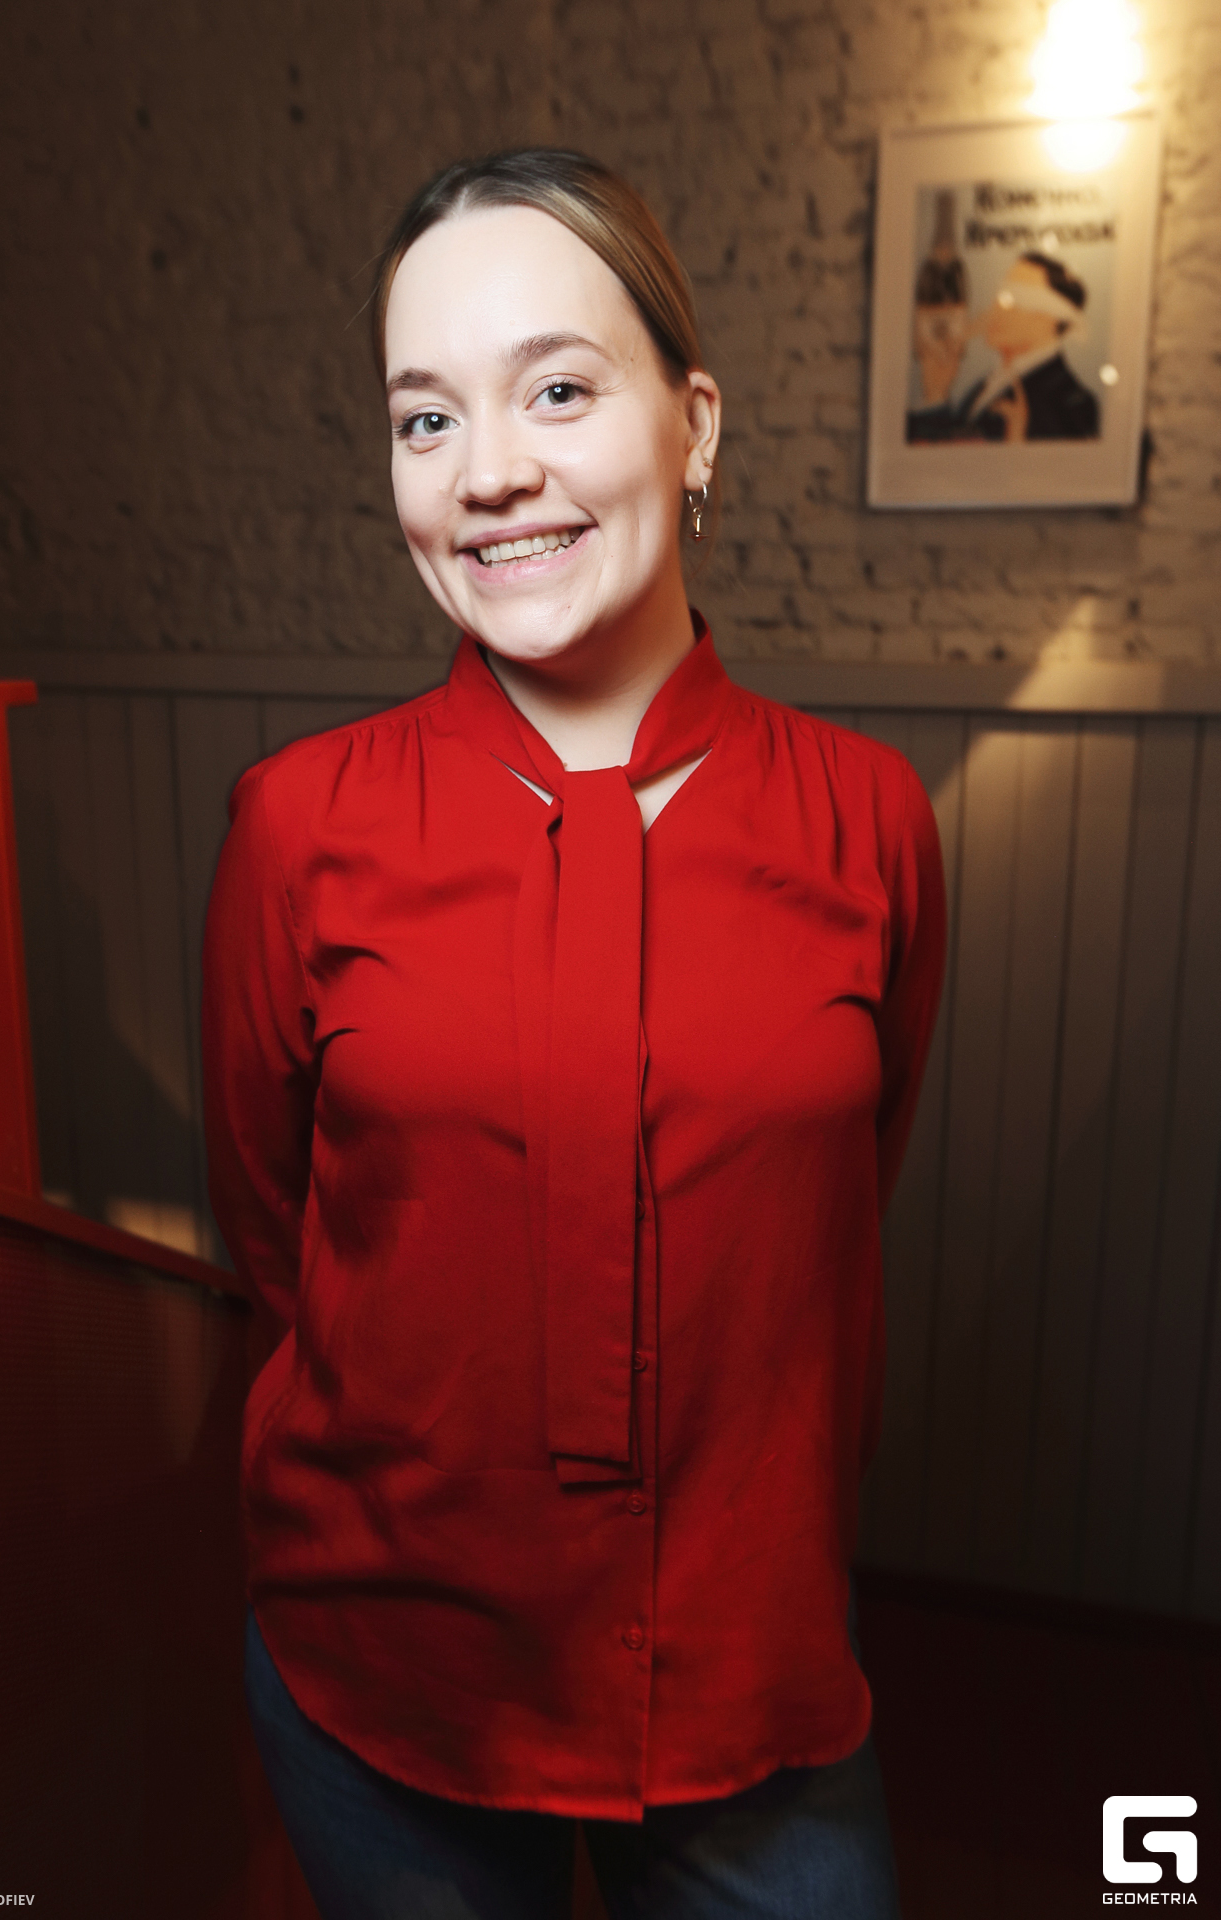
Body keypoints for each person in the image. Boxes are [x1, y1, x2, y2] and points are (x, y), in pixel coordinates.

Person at [202, 147, 947, 1920]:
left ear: (695, 427)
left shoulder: (869, 820)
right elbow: (279, 1237)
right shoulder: (298, 825)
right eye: (426, 417)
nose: (489, 471)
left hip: (755, 1683)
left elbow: (837, 1207)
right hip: (388, 1688)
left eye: (556, 389)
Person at [907, 248, 1100, 443]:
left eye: (1015, 301)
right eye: (1001, 297)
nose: (995, 310)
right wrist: (936, 396)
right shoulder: (989, 382)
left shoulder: (1068, 401)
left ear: (1050, 318)